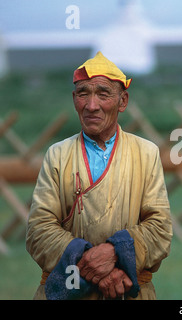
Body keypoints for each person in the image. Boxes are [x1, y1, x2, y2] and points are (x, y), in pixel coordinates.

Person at [26, 51, 172, 300]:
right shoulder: (57, 155)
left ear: (122, 101)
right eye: (83, 93)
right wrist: (94, 265)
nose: (91, 105)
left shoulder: (146, 153)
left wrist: (118, 253)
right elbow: (39, 230)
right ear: (74, 99)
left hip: (127, 290)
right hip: (71, 290)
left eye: (103, 94)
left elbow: (160, 229)